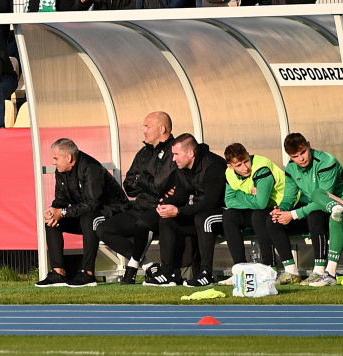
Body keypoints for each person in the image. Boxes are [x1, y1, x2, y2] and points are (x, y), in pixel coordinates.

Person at [96, 112, 177, 284]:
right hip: (139, 208)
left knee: (144, 224)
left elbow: (160, 186)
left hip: (160, 210)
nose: (144, 131)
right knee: (103, 229)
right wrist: (148, 182)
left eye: (147, 126)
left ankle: (132, 268)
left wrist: (141, 180)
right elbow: (128, 186)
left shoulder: (174, 151)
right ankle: (148, 265)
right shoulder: (144, 152)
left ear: (162, 129)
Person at [36, 138, 129, 288]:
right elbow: (61, 198)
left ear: (69, 158)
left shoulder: (91, 168)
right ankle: (58, 273)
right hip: (87, 213)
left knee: (88, 218)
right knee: (52, 222)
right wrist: (54, 211)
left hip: (114, 214)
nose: (53, 162)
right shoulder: (61, 170)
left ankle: (88, 273)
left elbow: (93, 204)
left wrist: (64, 212)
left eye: (56, 158)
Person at [145, 134, 226, 287]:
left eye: (176, 154)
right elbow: (181, 195)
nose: (173, 159)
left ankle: (206, 274)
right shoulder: (182, 168)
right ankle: (168, 273)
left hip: (224, 214)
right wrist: (166, 206)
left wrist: (179, 211)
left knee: (203, 219)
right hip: (199, 213)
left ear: (190, 153)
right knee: (167, 220)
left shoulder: (214, 166)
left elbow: (210, 203)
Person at [268, 133, 343, 284]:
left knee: (315, 215)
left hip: (336, 208)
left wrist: (293, 214)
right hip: (310, 209)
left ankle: (319, 271)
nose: (301, 159)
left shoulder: (326, 161)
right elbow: (289, 197)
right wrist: (281, 210)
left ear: (309, 145)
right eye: (295, 156)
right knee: (272, 221)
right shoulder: (291, 167)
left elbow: (324, 199)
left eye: (303, 152)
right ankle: (291, 271)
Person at [222, 143, 287, 267]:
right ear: (230, 166)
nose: (245, 168)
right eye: (239, 165)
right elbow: (229, 201)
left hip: (282, 206)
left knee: (258, 216)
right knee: (229, 215)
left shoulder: (261, 167)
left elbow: (261, 204)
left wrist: (239, 195)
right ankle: (239, 268)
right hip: (259, 207)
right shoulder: (229, 174)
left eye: (246, 161)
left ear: (248, 155)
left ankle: (270, 266)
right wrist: (252, 198)